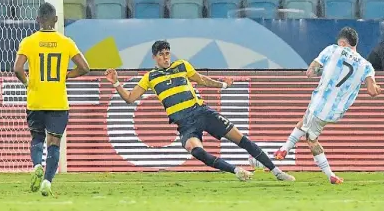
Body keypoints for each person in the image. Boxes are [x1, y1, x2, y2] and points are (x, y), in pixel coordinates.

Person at [104, 40, 295, 182]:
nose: (165, 57)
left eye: (167, 53)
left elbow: (202, 80)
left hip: (202, 112)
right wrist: (116, 83)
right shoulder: (150, 77)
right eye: (161, 54)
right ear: (154, 57)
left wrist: (223, 86)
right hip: (184, 124)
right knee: (194, 150)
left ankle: (277, 171)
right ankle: (236, 171)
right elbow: (130, 98)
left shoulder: (182, 66)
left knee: (240, 139)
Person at [274, 27, 381, 184]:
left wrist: (317, 71)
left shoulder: (333, 50)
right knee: (304, 123)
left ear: (343, 43)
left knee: (311, 140)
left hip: (320, 105)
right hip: (335, 113)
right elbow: (372, 91)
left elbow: (311, 70)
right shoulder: (366, 66)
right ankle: (284, 150)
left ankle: (325, 172)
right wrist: (377, 89)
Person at [14, 2, 90, 196]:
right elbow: (85, 67)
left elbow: (17, 69)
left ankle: (37, 165)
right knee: (54, 142)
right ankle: (47, 181)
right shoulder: (66, 42)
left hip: (36, 99)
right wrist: (66, 76)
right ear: (56, 19)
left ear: (38, 19)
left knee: (37, 138)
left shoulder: (28, 41)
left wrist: (27, 83)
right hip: (58, 101)